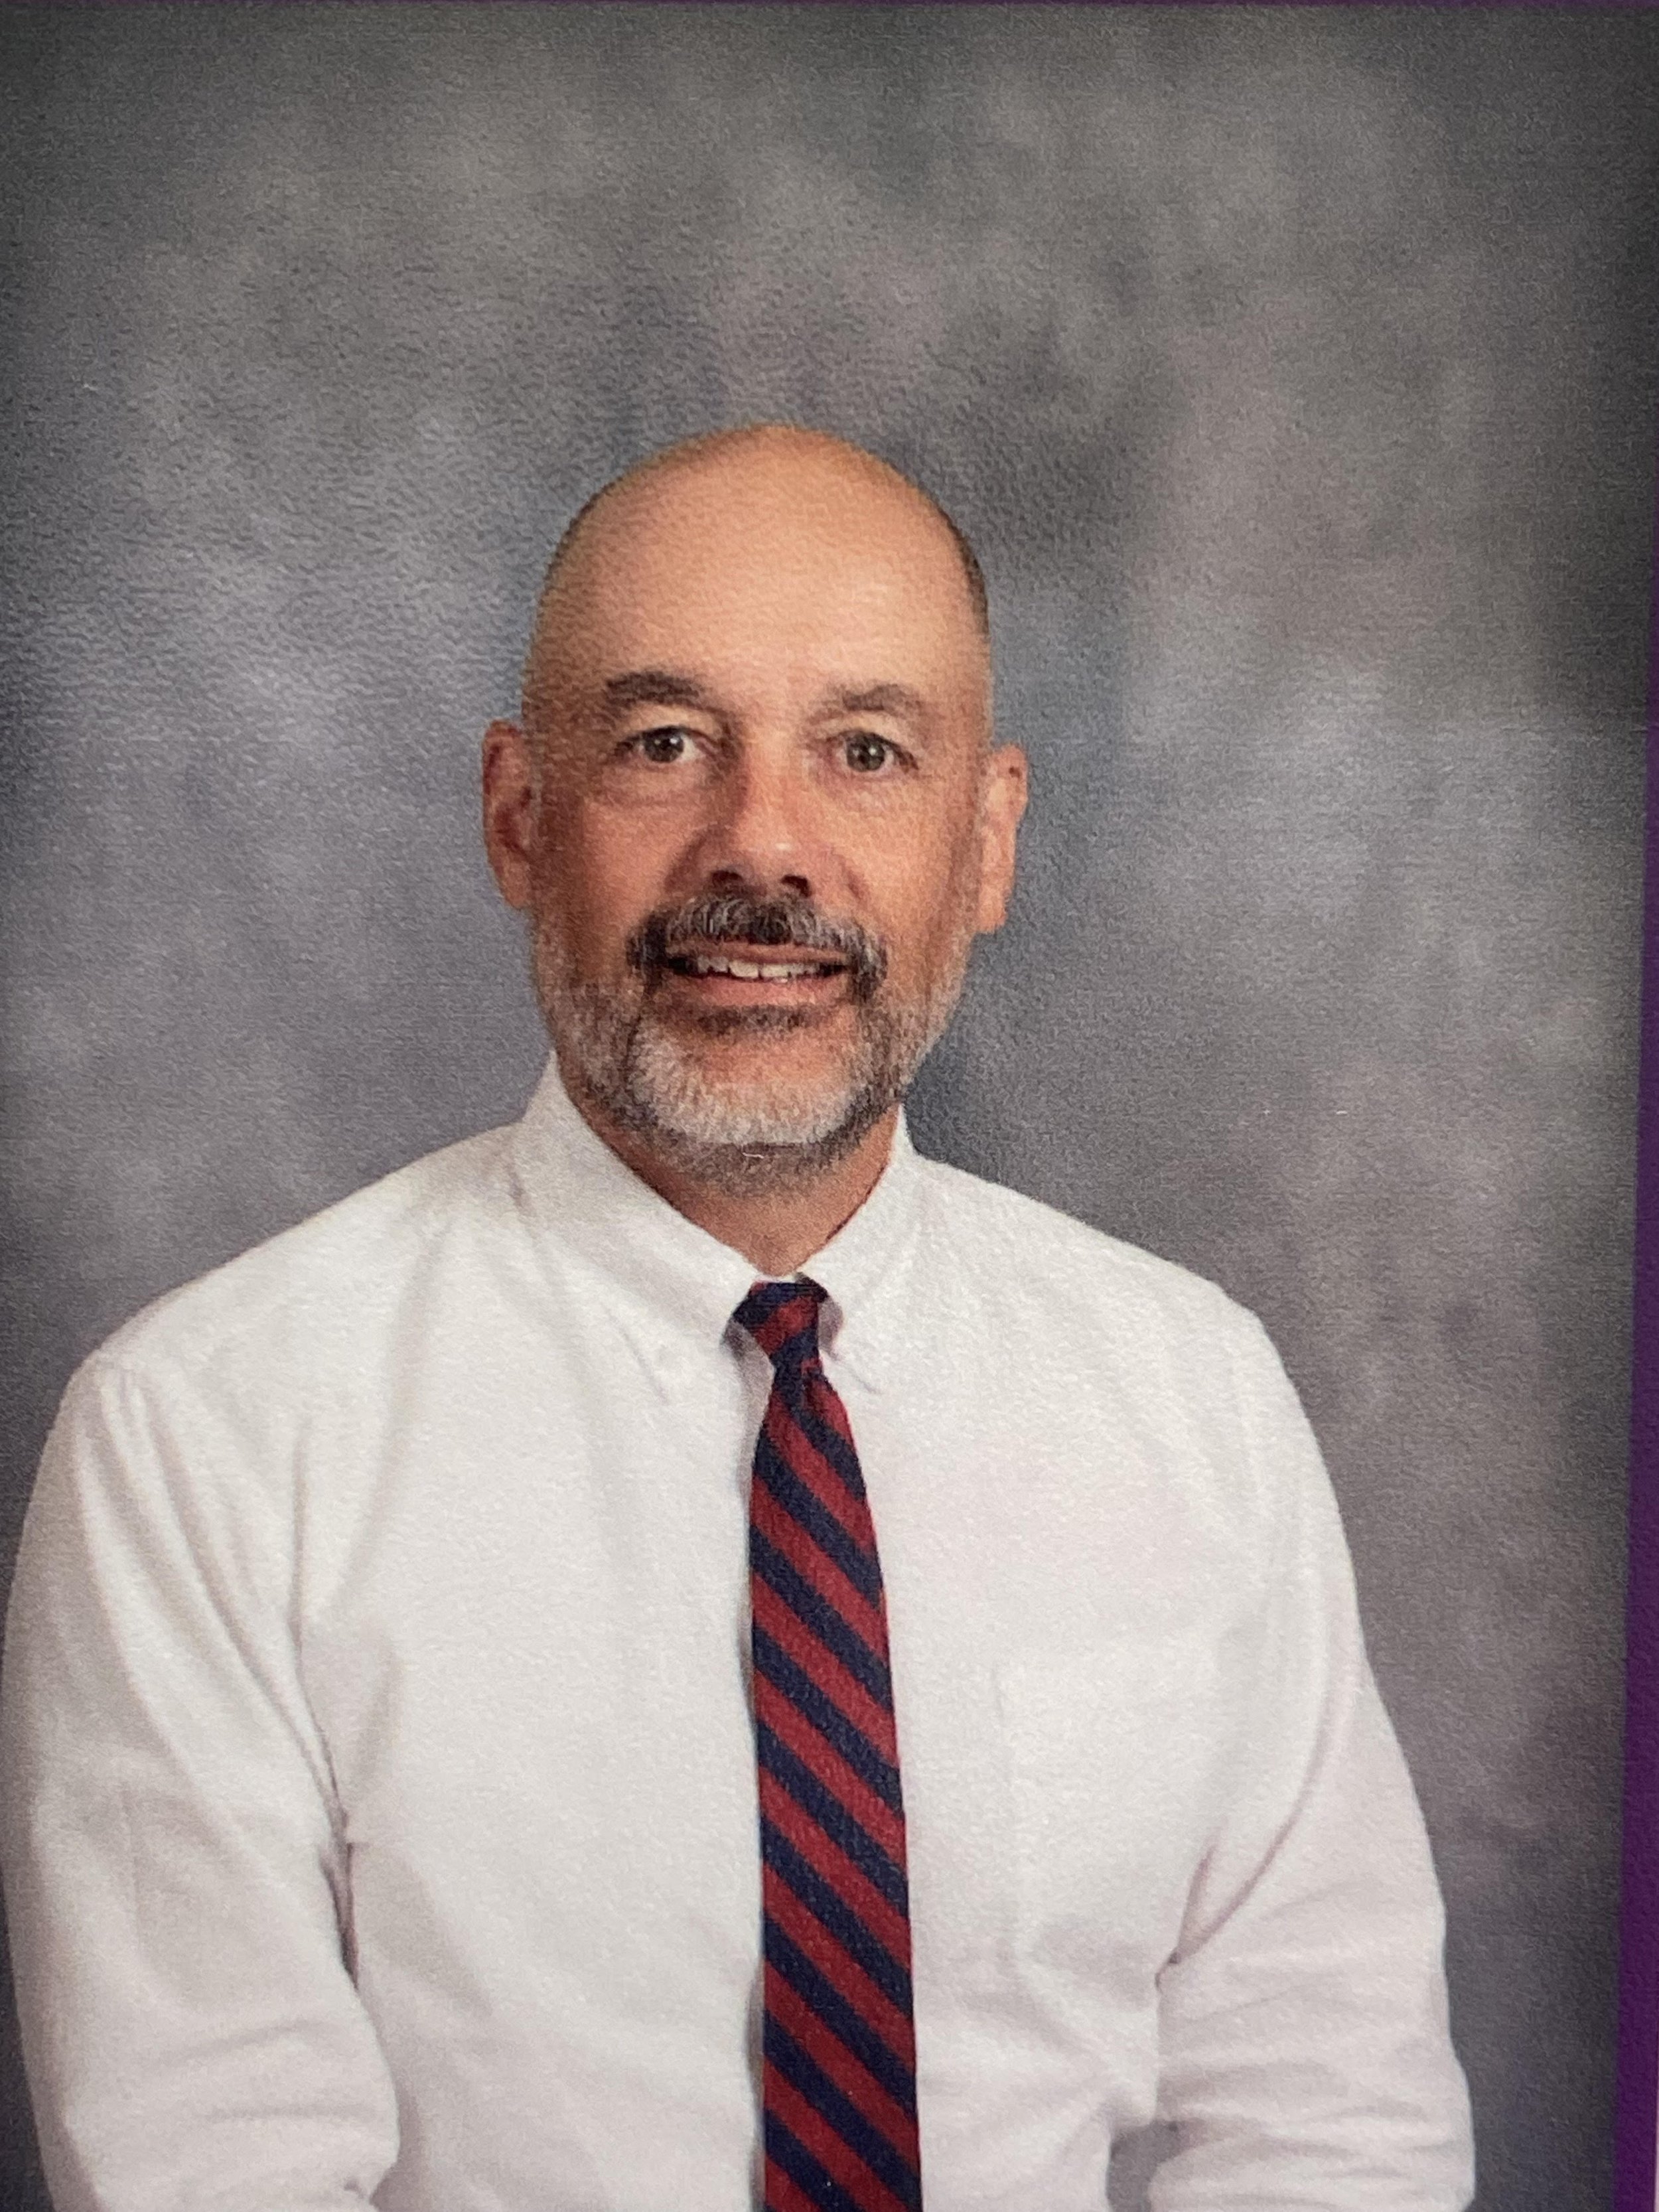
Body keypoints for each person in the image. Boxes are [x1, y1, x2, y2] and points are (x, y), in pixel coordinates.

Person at [1, 425, 1473, 2212]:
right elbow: (214, 2174)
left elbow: (1328, 2121)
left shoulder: (1193, 1399)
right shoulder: (208, 1440)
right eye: (663, 743)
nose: (764, 844)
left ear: (986, 841)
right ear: (518, 816)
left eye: (865, 752)